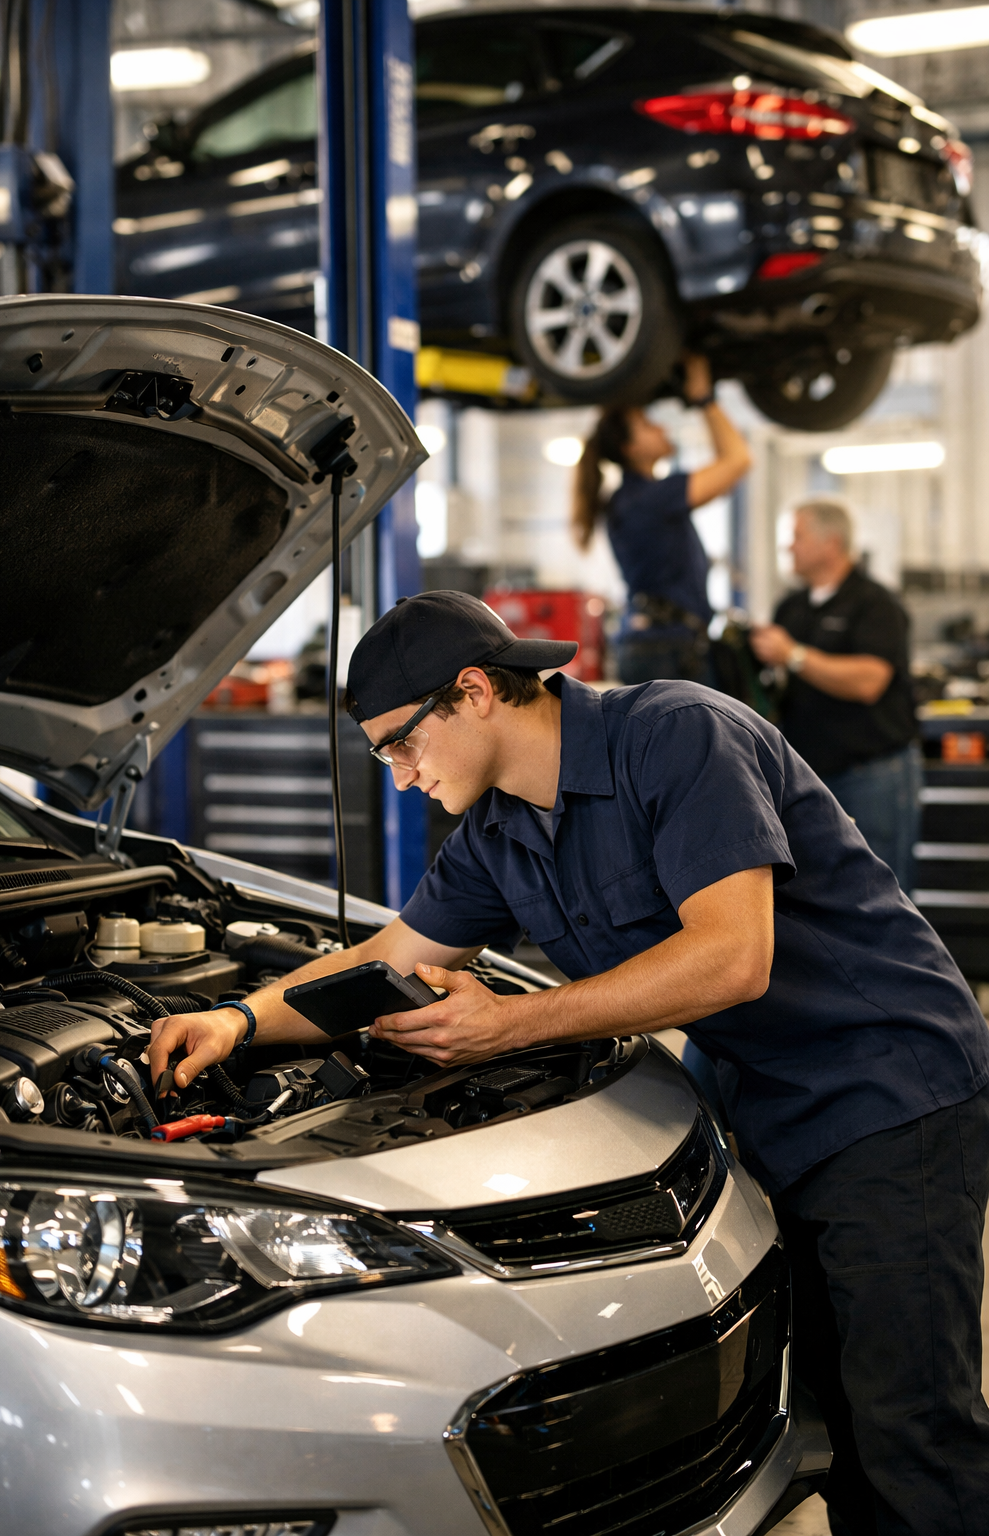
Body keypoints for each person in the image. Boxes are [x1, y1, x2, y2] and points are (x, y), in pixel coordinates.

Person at [150, 592, 989, 1536]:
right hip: (761, 1099)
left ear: (471, 694)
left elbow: (732, 958)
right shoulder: (497, 835)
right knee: (828, 1405)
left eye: (398, 746)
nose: (398, 778)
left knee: (911, 1420)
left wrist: (510, 1027)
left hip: (883, 1083)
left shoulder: (679, 737)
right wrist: (237, 1018)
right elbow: (384, 959)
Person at [750, 499, 920, 890]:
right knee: (822, 894)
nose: (788, 547)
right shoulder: (791, 607)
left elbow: (869, 681)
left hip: (871, 775)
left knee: (880, 892)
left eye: (797, 536)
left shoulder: (876, 603)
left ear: (831, 542)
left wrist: (792, 655)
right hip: (808, 776)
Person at [572, 354, 752, 685]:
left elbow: (729, 470)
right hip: (668, 649)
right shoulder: (649, 499)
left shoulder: (636, 499)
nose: (662, 428)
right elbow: (737, 459)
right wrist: (703, 399)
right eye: (647, 425)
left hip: (658, 645)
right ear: (631, 448)